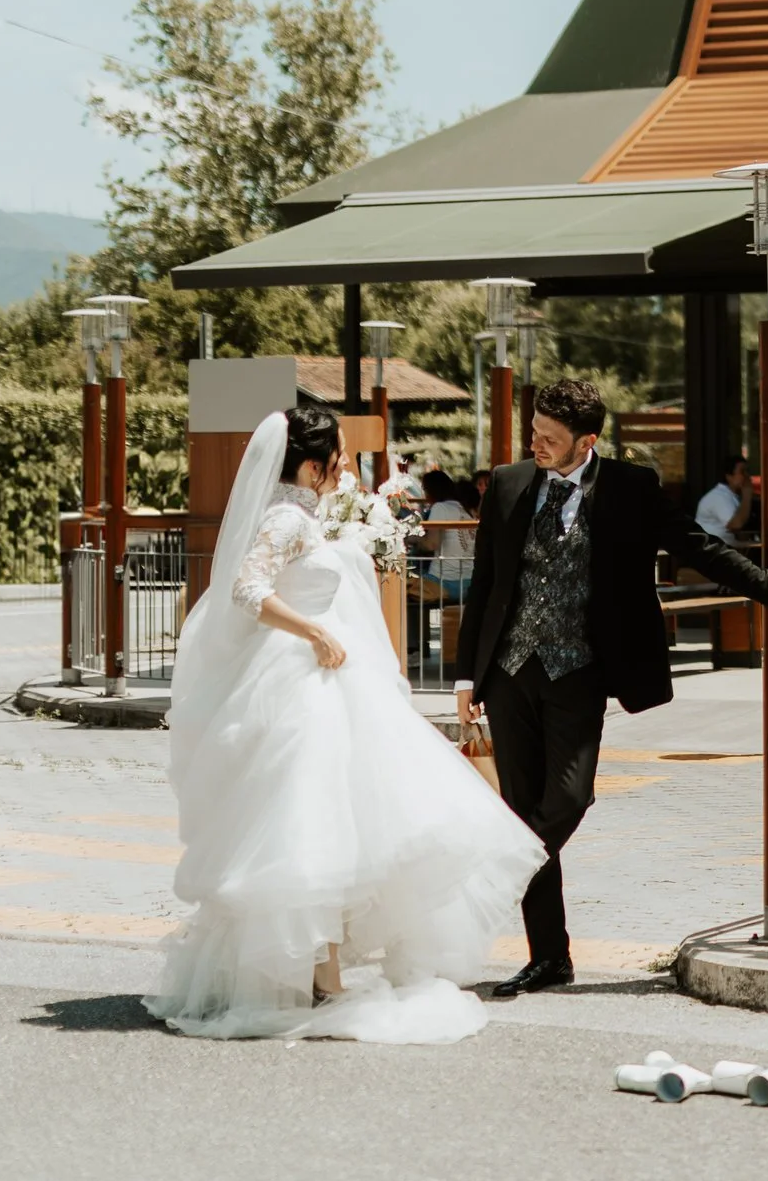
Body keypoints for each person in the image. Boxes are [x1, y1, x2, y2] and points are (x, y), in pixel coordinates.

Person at [146, 406, 546, 1043]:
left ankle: (320, 973)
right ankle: (322, 979)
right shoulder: (285, 517)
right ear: (312, 465)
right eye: (338, 458)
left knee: (325, 828)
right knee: (312, 827)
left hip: (317, 678)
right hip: (301, 682)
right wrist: (314, 632)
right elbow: (248, 590)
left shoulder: (299, 515)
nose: (345, 469)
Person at [456, 381, 768, 997]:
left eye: (550, 438)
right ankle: (550, 956)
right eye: (534, 433)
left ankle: (500, 870)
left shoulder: (632, 490)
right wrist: (467, 673)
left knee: (569, 799)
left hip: (579, 672)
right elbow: (487, 583)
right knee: (524, 811)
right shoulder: (507, 482)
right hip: (508, 672)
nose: (537, 445)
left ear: (589, 440)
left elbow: (705, 551)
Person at [418, 470, 478, 602]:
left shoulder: (440, 508)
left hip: (443, 581)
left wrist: (413, 538)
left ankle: (416, 624)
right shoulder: (465, 509)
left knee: (406, 584)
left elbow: (431, 544)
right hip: (468, 581)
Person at [694, 453, 753, 544]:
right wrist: (747, 495)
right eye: (742, 472)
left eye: (747, 471)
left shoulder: (733, 496)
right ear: (729, 476)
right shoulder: (719, 497)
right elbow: (736, 525)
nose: (747, 476)